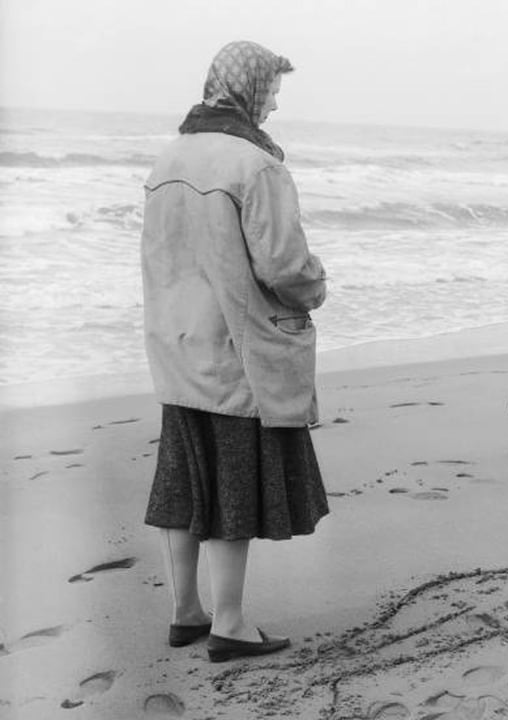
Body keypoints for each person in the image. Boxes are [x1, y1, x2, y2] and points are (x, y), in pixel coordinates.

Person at [141, 41, 329, 662]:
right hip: (235, 350)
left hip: (174, 345)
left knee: (181, 483)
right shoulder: (255, 165)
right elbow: (285, 266)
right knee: (231, 488)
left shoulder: (167, 158)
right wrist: (316, 283)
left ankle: (185, 611)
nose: (274, 102)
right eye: (272, 89)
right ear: (247, 88)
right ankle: (229, 622)